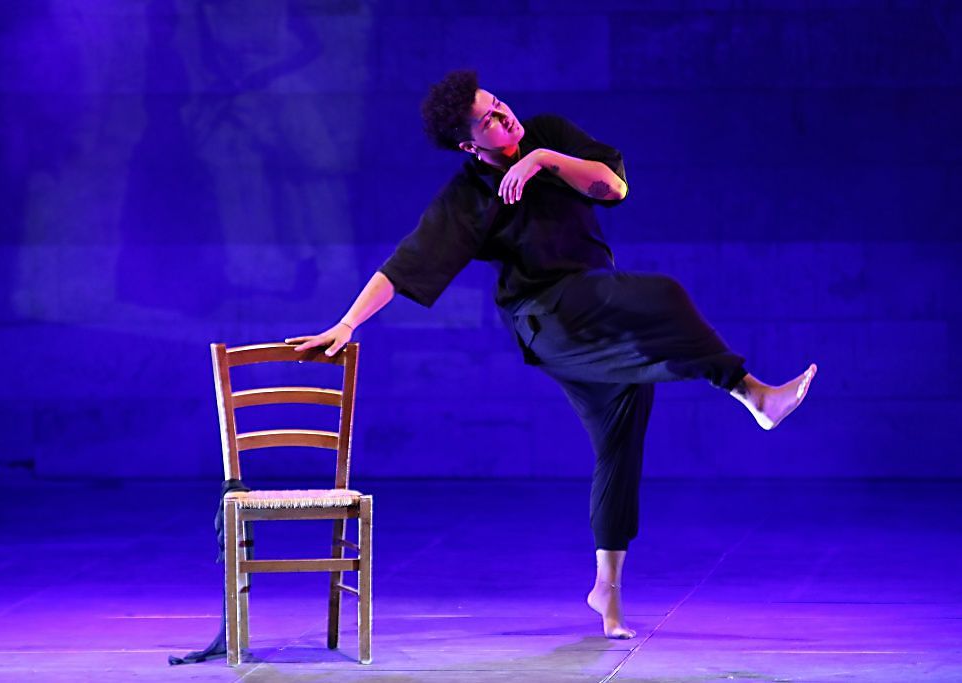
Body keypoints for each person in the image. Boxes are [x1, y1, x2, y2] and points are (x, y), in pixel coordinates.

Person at [286, 69, 817, 640]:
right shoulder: (468, 197)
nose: (504, 115)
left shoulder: (547, 134)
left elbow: (613, 187)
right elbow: (403, 266)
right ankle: (752, 393)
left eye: (498, 103)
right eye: (489, 120)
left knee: (622, 431)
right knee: (663, 294)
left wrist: (542, 159)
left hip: (597, 303)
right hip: (548, 319)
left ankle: (607, 592)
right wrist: (347, 323)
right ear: (469, 144)